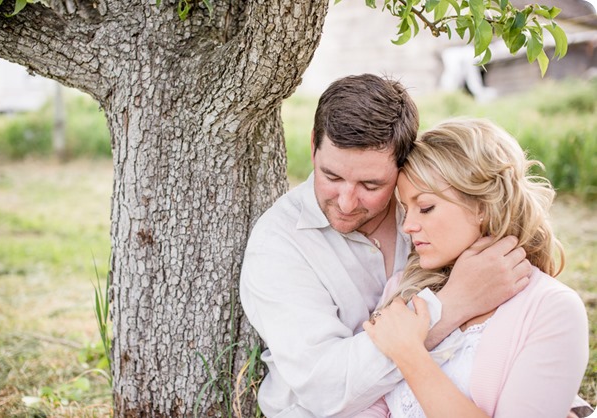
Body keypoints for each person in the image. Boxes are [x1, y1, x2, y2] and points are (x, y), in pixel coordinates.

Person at [239, 74, 533, 418]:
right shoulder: (279, 243)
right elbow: (325, 390)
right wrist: (453, 304)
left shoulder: (431, 212)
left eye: (370, 184)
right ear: (313, 146)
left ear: (402, 164)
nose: (347, 202)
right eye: (332, 177)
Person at [360, 118, 589, 417]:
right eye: (406, 209)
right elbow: (365, 405)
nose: (408, 226)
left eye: (426, 207)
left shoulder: (552, 309)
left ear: (482, 205)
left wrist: (410, 355)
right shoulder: (405, 287)